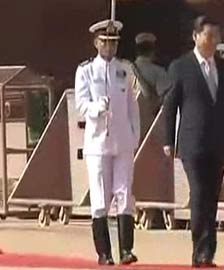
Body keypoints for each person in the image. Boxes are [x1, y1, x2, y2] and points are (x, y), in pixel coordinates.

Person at [162, 15, 224, 268]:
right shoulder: (181, 67)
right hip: (192, 143)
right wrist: (168, 139)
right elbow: (171, 106)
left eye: (216, 37)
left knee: (212, 198)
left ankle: (208, 252)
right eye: (208, 36)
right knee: (199, 195)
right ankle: (200, 253)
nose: (213, 41)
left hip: (219, 142)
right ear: (195, 36)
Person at [75, 19, 140, 265]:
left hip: (122, 140)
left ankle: (126, 250)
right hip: (98, 141)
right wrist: (95, 108)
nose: (109, 48)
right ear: (96, 43)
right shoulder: (86, 70)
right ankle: (104, 253)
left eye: (113, 43)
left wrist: (135, 136)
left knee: (124, 194)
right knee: (100, 197)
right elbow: (81, 104)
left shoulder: (124, 69)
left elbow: (132, 107)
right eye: (105, 43)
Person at [133, 32, 172, 141]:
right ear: (153, 50)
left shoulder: (126, 70)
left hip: (129, 124)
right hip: (150, 125)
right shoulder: (158, 72)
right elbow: (166, 99)